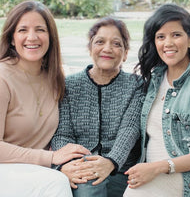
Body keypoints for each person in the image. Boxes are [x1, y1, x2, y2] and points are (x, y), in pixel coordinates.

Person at [123, 3, 190, 197]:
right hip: (150, 172)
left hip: (188, 179)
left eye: (176, 35)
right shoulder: (155, 79)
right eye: (161, 36)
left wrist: (156, 168)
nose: (168, 43)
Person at [0, 0, 91, 197]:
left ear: (50, 36)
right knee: (56, 183)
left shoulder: (55, 78)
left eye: (40, 29)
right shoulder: (2, 78)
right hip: (5, 169)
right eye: (23, 30)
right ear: (12, 38)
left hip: (33, 170)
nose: (32, 37)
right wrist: (51, 158)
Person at [51, 17, 145, 197]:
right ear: (90, 48)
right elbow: (62, 133)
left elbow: (129, 129)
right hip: (82, 167)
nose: (107, 49)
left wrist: (111, 161)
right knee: (89, 183)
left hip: (123, 169)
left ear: (125, 53)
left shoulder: (136, 85)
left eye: (116, 44)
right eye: (100, 42)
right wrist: (68, 165)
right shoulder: (69, 85)